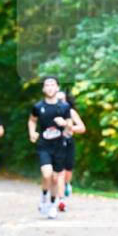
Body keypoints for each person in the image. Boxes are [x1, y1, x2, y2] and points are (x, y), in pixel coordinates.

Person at [28, 76, 71, 219]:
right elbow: (32, 121)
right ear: (43, 88)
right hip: (44, 145)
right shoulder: (38, 106)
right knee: (46, 174)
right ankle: (43, 196)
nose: (50, 87)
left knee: (54, 178)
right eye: (47, 85)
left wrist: (64, 123)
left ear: (57, 88)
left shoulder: (64, 107)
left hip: (59, 146)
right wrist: (32, 132)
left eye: (53, 85)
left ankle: (53, 205)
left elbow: (70, 126)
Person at [56, 90, 85, 209]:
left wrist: (68, 126)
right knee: (59, 172)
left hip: (68, 142)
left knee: (68, 170)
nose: (60, 102)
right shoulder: (51, 111)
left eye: (62, 100)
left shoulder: (71, 112)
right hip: (55, 144)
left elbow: (82, 128)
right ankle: (61, 200)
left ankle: (67, 184)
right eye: (57, 100)